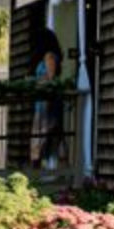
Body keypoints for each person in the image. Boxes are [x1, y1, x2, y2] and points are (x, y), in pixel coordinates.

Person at [29, 28, 65, 167]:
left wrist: (34, 82)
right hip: (43, 102)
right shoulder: (45, 56)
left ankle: (35, 175)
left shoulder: (49, 56)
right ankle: (66, 174)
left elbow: (50, 78)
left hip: (47, 103)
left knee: (39, 139)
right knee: (56, 138)